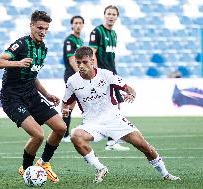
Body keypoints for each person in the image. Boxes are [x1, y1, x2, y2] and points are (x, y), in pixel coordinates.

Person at [61, 46, 180, 183]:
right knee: (76, 135)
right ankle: (100, 168)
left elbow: (128, 88)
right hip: (92, 124)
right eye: (78, 62)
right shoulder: (72, 81)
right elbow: (66, 102)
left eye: (85, 62)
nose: (81, 66)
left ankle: (165, 174)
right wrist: (65, 110)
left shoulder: (106, 75)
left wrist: (131, 94)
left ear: (92, 61)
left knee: (144, 146)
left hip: (114, 119)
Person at [0, 10, 66, 183]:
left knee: (61, 127)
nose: (43, 32)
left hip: (31, 94)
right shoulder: (21, 45)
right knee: (38, 135)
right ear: (31, 26)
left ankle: (44, 163)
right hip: (12, 97)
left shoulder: (43, 49)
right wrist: (18, 62)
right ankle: (26, 170)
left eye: (46, 29)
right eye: (40, 27)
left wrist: (47, 94)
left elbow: (33, 75)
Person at [89, 5, 129, 151]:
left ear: (117, 17)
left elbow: (111, 56)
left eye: (113, 14)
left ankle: (112, 139)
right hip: (103, 74)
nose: (111, 16)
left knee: (116, 104)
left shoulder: (114, 34)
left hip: (112, 73)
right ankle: (111, 141)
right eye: (109, 14)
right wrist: (97, 71)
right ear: (104, 15)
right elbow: (92, 53)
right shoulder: (97, 31)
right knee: (111, 105)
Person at [62, 15, 84, 143]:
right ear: (72, 25)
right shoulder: (69, 40)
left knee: (73, 104)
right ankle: (64, 134)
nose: (78, 25)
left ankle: (65, 133)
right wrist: (81, 74)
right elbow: (71, 60)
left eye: (80, 23)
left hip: (77, 76)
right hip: (72, 75)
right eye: (76, 23)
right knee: (69, 104)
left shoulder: (80, 41)